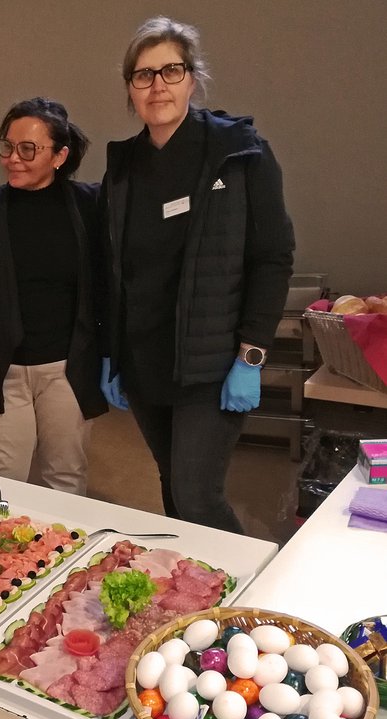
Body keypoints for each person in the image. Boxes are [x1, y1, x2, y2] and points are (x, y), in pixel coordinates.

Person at [99, 17, 295, 532]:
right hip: (146, 361)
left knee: (197, 493)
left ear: (192, 77)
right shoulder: (123, 166)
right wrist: (113, 352)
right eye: (143, 75)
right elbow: (116, 269)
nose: (157, 85)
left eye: (171, 70)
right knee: (171, 485)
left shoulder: (239, 153)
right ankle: (190, 580)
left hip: (212, 363)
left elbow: (273, 257)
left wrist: (251, 355)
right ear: (130, 88)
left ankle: (245, 582)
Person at [0, 98, 107, 495]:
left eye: (28, 149)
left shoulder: (90, 205)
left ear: (59, 156)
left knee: (66, 477)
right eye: (8, 146)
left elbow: (109, 284)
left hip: (68, 372)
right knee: (2, 484)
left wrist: (110, 358)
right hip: (3, 373)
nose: (13, 159)